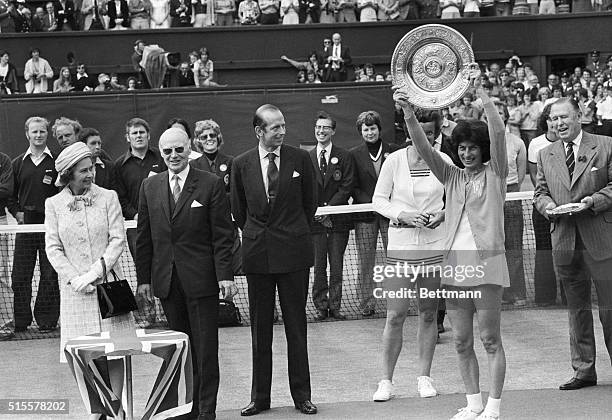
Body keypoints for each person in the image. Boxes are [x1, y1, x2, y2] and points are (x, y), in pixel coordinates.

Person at [394, 68, 509, 420]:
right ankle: (473, 402)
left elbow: (499, 132)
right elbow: (423, 147)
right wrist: (409, 113)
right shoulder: (451, 175)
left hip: (487, 264)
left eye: (473, 147)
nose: (468, 152)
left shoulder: (497, 174)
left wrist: (481, 95)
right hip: (455, 267)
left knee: (490, 340)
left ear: (483, 149)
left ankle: (493, 406)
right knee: (461, 342)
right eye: (462, 147)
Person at [136, 128, 236, 420]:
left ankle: (206, 410)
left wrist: (225, 276)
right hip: (167, 283)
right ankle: (183, 409)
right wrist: (144, 280)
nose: (173, 156)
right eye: (167, 151)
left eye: (179, 149)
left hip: (202, 281)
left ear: (189, 148)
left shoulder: (210, 184)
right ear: (161, 152)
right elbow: (144, 237)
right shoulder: (149, 186)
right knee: (178, 349)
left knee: (205, 350)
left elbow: (222, 236)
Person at [231, 104, 317, 416]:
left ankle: (302, 396)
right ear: (259, 131)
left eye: (283, 125)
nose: (281, 131)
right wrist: (260, 235)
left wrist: (290, 232)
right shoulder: (240, 164)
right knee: (260, 331)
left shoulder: (301, 159)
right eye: (274, 127)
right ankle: (260, 398)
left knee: (297, 328)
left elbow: (310, 204)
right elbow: (240, 213)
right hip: (257, 257)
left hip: (294, 255)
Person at [45, 142, 134, 420]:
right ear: (68, 173)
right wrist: (76, 280)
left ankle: (115, 408)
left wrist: (94, 274)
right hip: (74, 294)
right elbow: (53, 248)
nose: (90, 174)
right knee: (80, 354)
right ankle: (96, 411)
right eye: (84, 170)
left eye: (92, 168)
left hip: (109, 288)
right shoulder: (53, 204)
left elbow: (118, 240)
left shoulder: (109, 197)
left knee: (116, 351)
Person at [371, 108, 453, 402]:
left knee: (429, 314)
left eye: (431, 133)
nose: (425, 138)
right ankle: (386, 381)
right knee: (395, 315)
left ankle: (425, 377)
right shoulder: (393, 161)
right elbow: (379, 200)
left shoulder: (443, 161)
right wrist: (403, 214)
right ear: (409, 131)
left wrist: (442, 215)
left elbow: (457, 197)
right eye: (421, 132)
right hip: (401, 246)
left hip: (433, 245)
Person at [534, 97, 612, 391]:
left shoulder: (606, 145)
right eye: (553, 120)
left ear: (580, 115)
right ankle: (583, 371)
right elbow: (539, 193)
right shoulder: (545, 154)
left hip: (603, 241)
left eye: (564, 118)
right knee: (576, 310)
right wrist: (548, 207)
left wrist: (593, 201)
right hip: (565, 242)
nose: (558, 124)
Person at [7, 117, 59, 334]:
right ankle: (21, 320)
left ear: (47, 134)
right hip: (26, 226)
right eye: (34, 132)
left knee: (50, 274)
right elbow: (10, 194)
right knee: (20, 274)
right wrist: (18, 212)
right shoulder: (17, 163)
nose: (38, 135)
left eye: (42, 132)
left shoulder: (56, 161)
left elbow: (62, 192)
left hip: (51, 226)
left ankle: (46, 320)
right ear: (27, 134)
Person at [350, 110, 400, 317]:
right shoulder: (353, 154)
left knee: (395, 259)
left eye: (372, 128)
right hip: (366, 215)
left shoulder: (394, 151)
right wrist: (371, 202)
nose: (369, 132)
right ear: (361, 132)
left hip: (390, 214)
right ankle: (366, 303)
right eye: (365, 129)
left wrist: (386, 203)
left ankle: (397, 300)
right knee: (365, 260)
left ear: (379, 129)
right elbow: (352, 185)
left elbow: (399, 182)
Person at [308, 111, 354, 321]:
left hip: (338, 222)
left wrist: (329, 210)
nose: (321, 131)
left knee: (337, 265)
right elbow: (304, 188)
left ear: (333, 131)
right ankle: (320, 306)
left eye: (326, 127)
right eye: (318, 127)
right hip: (315, 224)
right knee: (319, 267)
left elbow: (346, 188)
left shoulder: (344, 156)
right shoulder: (306, 157)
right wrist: (318, 213)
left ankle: (335, 306)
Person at [527, 104, 563, 306]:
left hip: (568, 206)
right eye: (550, 119)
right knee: (543, 248)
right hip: (542, 205)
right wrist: (548, 201)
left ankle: (569, 296)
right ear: (545, 122)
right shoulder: (536, 144)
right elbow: (534, 176)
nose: (553, 124)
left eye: (557, 118)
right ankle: (545, 297)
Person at [190, 119, 233, 193]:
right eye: (204, 137)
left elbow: (234, 191)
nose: (209, 139)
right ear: (198, 141)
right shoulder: (193, 165)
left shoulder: (230, 162)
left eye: (212, 135)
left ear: (218, 137)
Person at [0, 150, 14, 340]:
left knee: (1, 275)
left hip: (0, 222)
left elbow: (5, 191)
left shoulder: (4, 160)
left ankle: (4, 326)